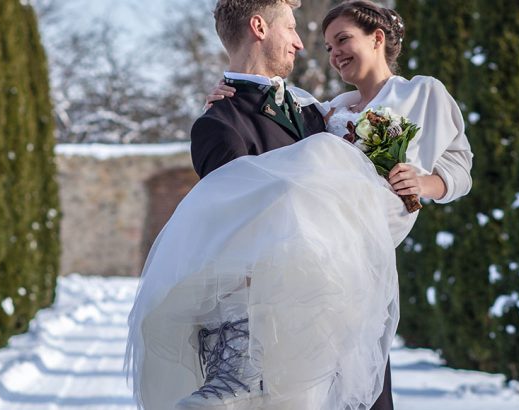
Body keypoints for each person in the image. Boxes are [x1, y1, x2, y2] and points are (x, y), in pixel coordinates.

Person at [125, 1, 473, 409]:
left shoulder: (312, 110)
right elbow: (229, 234)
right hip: (286, 320)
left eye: (340, 39)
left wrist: (424, 184)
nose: (304, 45)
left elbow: (458, 165)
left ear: (378, 39)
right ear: (259, 27)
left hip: (355, 286)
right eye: (293, 29)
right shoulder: (249, 120)